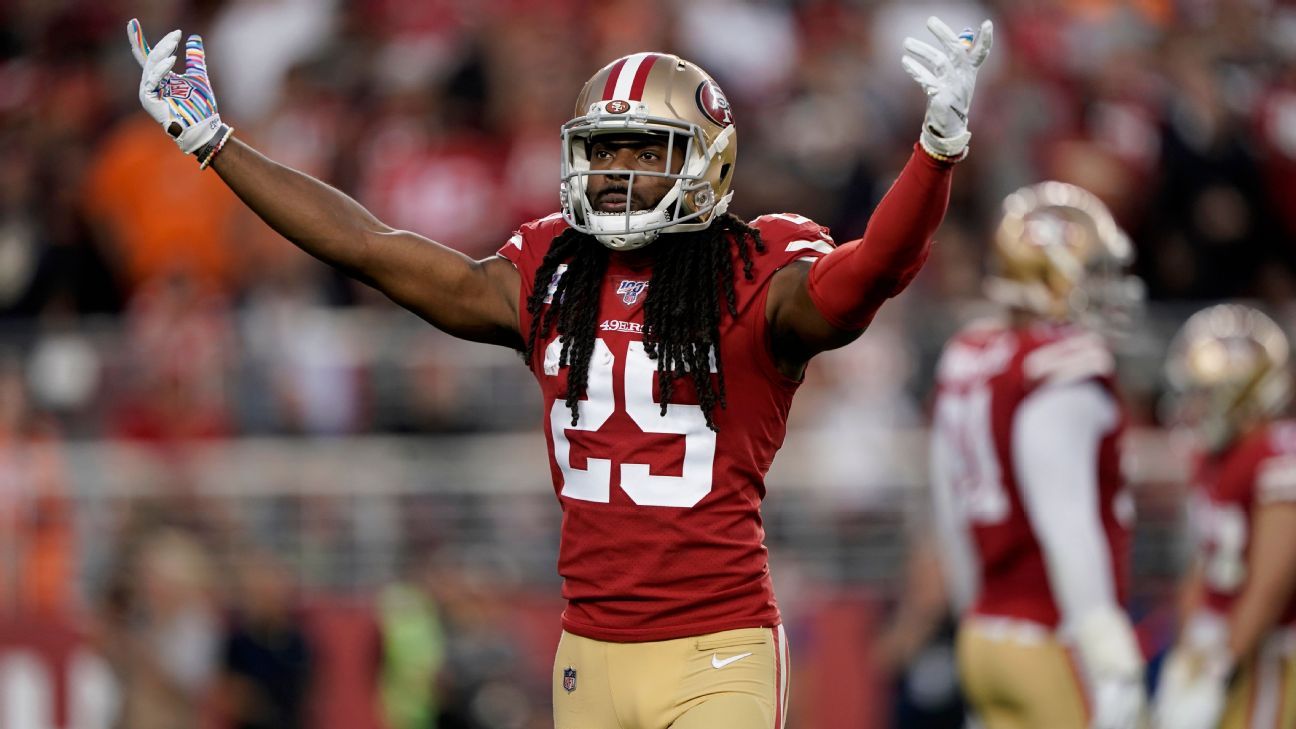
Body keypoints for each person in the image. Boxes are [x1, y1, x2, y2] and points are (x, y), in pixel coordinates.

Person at [123, 16, 993, 728]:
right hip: (587, 654)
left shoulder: (758, 268)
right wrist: (214, 140)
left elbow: (872, 270)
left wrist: (936, 151)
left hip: (716, 650)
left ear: (706, 158)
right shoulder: (552, 269)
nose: (614, 173)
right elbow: (370, 248)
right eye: (604, 150)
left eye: (643, 150)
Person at [927, 181, 1146, 729]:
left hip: (986, 636)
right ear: (1055, 276)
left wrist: (969, 615)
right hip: (1055, 635)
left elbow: (949, 512)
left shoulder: (969, 354)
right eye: (1093, 272)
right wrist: (1108, 650)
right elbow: (1066, 523)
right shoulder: (1061, 366)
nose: (1107, 289)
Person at [1153, 304, 1296, 729]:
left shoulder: (1277, 458)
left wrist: (1219, 669)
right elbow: (1203, 564)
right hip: (1220, 640)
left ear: (1244, 393)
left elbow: (1270, 584)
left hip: (1272, 649)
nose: (1195, 406)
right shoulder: (1215, 456)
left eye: (1206, 393)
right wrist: (1184, 658)